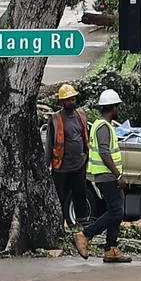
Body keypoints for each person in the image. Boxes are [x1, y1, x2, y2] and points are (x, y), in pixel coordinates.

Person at [74, 89, 132, 263]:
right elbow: (105, 153)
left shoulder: (104, 126)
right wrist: (118, 175)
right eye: (117, 107)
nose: (118, 110)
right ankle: (84, 234)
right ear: (112, 108)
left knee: (117, 211)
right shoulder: (103, 127)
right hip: (106, 176)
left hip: (107, 176)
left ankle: (111, 248)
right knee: (116, 211)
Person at [48, 84, 90, 230]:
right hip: (61, 167)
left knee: (80, 196)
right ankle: (57, 226)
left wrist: (86, 157)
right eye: (68, 100)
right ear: (62, 102)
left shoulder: (81, 116)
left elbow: (85, 137)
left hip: (79, 164)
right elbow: (49, 143)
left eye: (73, 99)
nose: (71, 102)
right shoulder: (56, 119)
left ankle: (81, 227)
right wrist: (48, 165)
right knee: (59, 197)